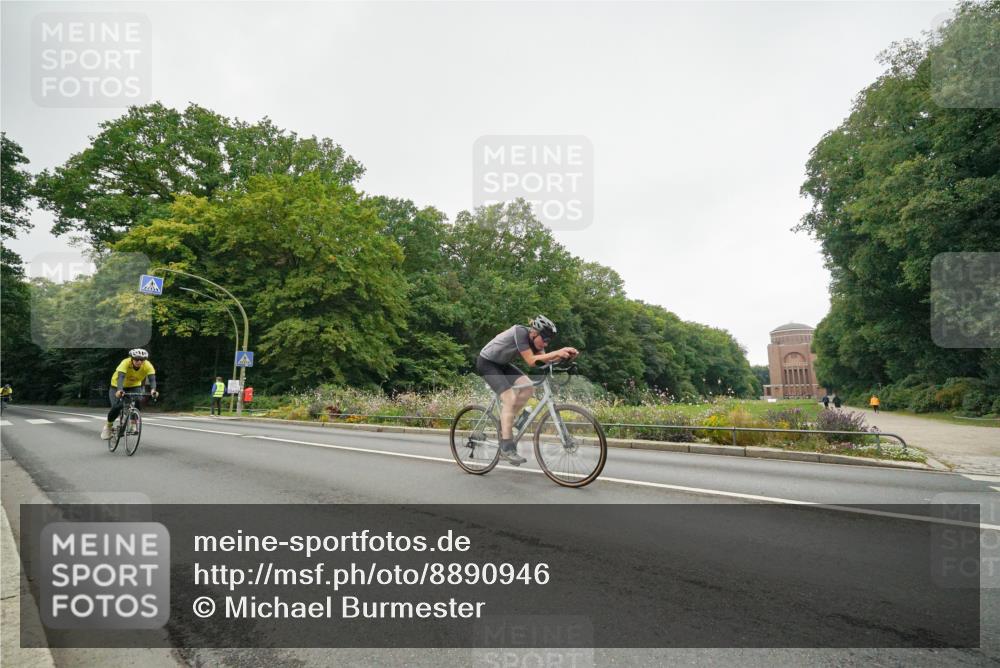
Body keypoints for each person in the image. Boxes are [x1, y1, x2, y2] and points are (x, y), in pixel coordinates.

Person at [476, 315, 578, 465]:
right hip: (487, 362)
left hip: (502, 364)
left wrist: (565, 358)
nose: (545, 343)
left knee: (529, 387)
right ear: (534, 333)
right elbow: (531, 361)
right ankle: (506, 446)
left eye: (548, 341)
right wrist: (558, 351)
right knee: (509, 398)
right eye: (544, 339)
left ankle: (506, 422)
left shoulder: (538, 343)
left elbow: (545, 361)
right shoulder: (520, 332)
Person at [101, 349, 159, 440]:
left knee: (138, 400)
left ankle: (132, 423)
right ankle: (108, 427)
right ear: (131, 359)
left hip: (134, 386)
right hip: (116, 386)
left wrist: (153, 390)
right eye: (136, 359)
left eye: (142, 360)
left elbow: (152, 379)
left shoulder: (147, 365)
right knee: (117, 406)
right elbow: (121, 377)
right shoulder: (125, 363)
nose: (139, 361)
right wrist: (119, 390)